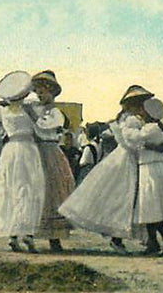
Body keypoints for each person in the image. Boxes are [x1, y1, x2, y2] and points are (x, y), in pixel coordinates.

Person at [58, 85, 153, 253]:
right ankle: (120, 238)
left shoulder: (125, 118)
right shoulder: (132, 120)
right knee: (126, 198)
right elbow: (132, 141)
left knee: (121, 198)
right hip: (128, 159)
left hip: (122, 158)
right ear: (134, 104)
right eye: (142, 103)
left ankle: (130, 237)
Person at [0, 72, 46, 253]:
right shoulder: (30, 110)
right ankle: (26, 233)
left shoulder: (3, 111)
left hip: (11, 150)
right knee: (28, 189)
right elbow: (44, 127)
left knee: (10, 188)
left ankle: (13, 235)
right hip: (27, 149)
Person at [122, 98, 163, 256]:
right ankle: (159, 241)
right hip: (159, 167)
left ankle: (158, 241)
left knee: (149, 206)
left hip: (150, 168)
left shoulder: (150, 128)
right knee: (152, 207)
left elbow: (132, 138)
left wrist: (126, 126)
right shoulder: (160, 129)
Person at [31, 70, 75, 252]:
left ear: (52, 93)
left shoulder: (56, 112)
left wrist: (34, 118)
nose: (41, 95)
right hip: (34, 152)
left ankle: (54, 239)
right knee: (33, 191)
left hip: (50, 151)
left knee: (53, 192)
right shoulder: (33, 109)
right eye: (38, 92)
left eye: (45, 92)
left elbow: (46, 126)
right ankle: (25, 234)